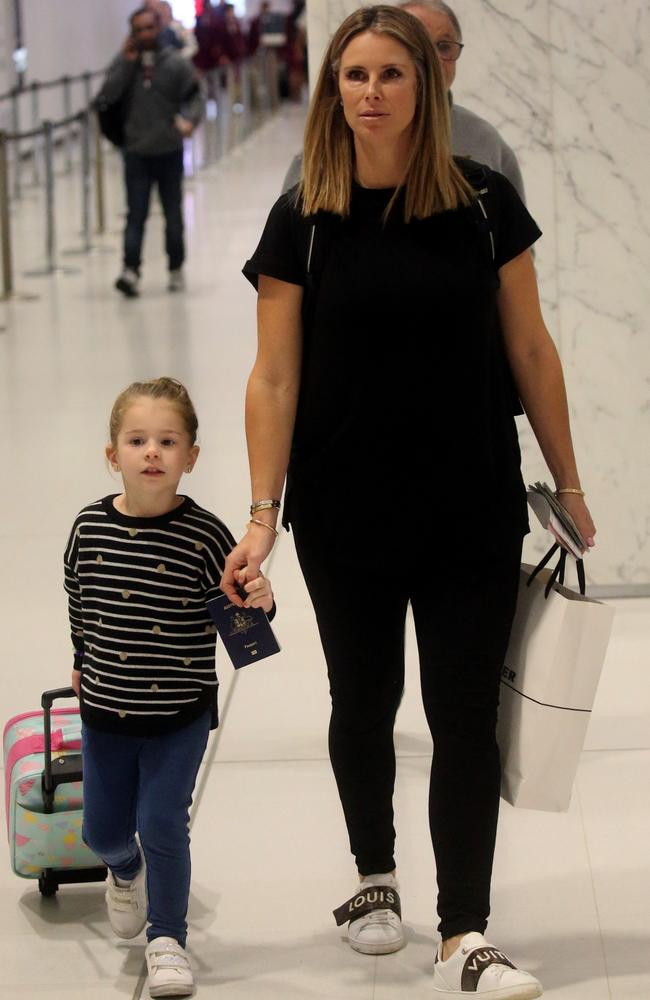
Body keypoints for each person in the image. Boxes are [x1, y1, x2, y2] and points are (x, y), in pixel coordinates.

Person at [222, 5, 596, 998]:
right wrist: (262, 510)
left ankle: (463, 931)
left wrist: (565, 480)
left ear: (425, 88)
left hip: (470, 502)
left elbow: (529, 349)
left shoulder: (480, 204)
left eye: (392, 74)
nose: (372, 92)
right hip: (343, 510)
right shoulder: (302, 217)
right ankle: (373, 877)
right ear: (331, 91)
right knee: (364, 698)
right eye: (354, 75)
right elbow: (272, 378)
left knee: (463, 715)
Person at [64, 377, 274, 999]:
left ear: (191, 456)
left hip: (179, 714)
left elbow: (243, 618)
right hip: (104, 712)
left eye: (167, 440)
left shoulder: (207, 537)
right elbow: (79, 597)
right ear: (113, 454)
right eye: (137, 440)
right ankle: (124, 870)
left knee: (162, 821)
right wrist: (81, 655)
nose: (151, 452)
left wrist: (261, 601)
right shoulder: (88, 528)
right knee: (100, 832)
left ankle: (168, 938)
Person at [280, 0, 525, 199]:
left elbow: (513, 246)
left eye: (444, 46)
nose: (433, 60)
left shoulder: (484, 140)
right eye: (357, 75)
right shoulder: (322, 155)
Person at [97, 6, 203, 298]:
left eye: (149, 28)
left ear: (159, 29)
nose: (145, 34)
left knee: (173, 214)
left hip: (168, 150)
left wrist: (190, 122)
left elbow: (195, 94)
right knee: (136, 214)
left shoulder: (175, 64)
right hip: (136, 152)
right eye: (139, 29)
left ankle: (175, 268)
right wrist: (126, 62)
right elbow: (107, 96)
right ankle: (131, 270)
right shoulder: (124, 63)